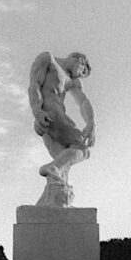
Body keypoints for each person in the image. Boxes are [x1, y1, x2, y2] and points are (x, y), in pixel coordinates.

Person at [27, 51, 96, 206]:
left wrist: (91, 122)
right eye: (82, 70)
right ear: (80, 60)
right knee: (83, 149)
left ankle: (49, 203)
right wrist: (37, 111)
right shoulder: (48, 59)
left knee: (62, 168)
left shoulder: (73, 81)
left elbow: (83, 101)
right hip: (51, 116)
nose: (80, 75)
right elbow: (34, 85)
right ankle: (51, 168)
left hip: (50, 122)